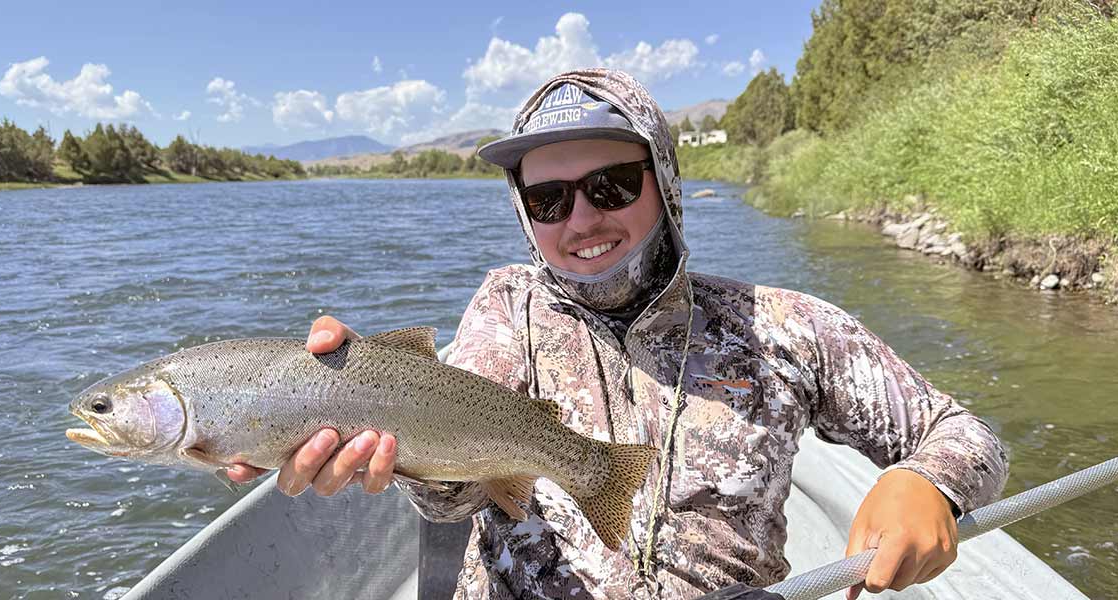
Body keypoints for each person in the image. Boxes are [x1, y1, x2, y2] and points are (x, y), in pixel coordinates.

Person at [227, 68, 1009, 599]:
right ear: (524, 213)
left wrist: (926, 481)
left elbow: (960, 432)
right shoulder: (506, 312)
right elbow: (454, 495)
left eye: (610, 185)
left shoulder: (783, 328)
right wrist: (385, 433)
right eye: (548, 201)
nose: (582, 221)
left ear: (665, 185)